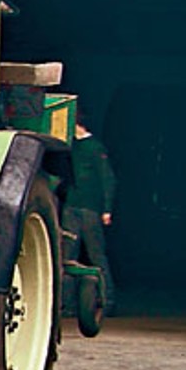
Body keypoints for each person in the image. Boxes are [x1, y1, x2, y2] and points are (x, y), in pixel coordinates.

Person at [62, 121, 118, 314]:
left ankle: (107, 299)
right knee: (67, 256)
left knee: (96, 254)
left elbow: (107, 179)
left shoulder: (94, 147)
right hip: (71, 206)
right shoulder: (72, 147)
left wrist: (107, 209)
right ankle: (65, 304)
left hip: (90, 208)